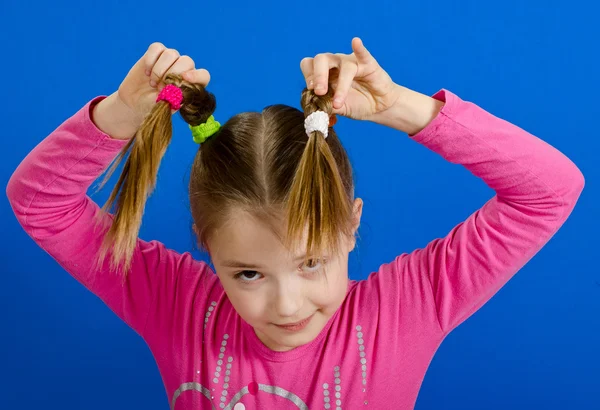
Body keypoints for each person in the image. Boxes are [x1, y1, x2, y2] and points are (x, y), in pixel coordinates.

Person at [6, 38, 584, 409]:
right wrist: (118, 115)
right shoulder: (173, 301)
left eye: (312, 263)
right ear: (206, 244)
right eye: (249, 274)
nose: (286, 306)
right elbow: (39, 203)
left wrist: (402, 108)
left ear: (351, 227)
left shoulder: (407, 309)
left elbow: (550, 190)